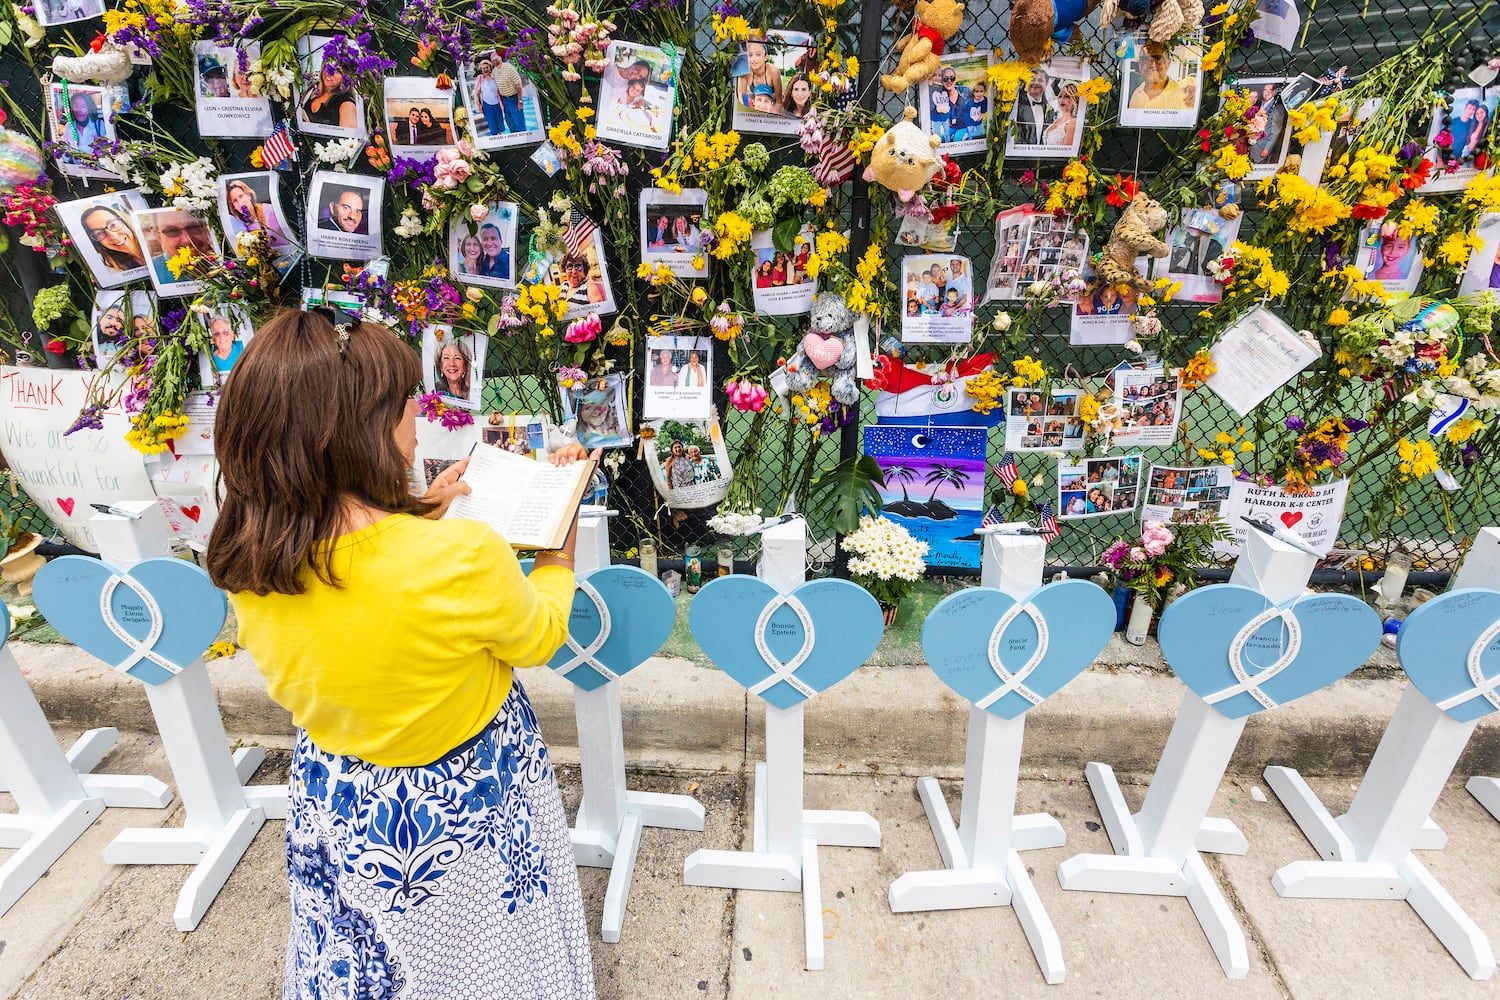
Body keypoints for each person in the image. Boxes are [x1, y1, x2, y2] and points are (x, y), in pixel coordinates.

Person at [207, 309, 597, 998]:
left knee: (373, 959)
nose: (418, 418)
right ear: (360, 428)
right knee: (488, 953)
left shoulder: (254, 559)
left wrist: (421, 505)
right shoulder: (463, 556)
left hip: (346, 800)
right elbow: (538, 636)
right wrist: (559, 547)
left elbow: (358, 587)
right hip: (469, 800)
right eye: (406, 401)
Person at [148, 209, 216, 284]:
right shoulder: (150, 273)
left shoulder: (224, 260)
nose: (187, 240)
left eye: (194, 227)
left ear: (206, 229)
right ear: (158, 236)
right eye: (172, 231)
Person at [79, 204, 146, 273]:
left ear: (124, 221)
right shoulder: (114, 270)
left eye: (113, 225)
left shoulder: (155, 240)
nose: (113, 236)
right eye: (99, 233)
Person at [224, 179, 288, 248]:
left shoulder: (268, 210)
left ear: (248, 195)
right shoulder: (242, 227)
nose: (240, 202)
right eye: (235, 201)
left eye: (241, 196)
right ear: (233, 206)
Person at [1129, 45, 1193, 111]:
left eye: (1157, 58)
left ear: (1168, 62)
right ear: (1139, 64)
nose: (1151, 64)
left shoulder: (1184, 96)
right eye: (1145, 59)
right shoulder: (1136, 94)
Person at [302, 59, 359, 130]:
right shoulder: (311, 90)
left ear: (346, 77)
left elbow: (347, 139)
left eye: (337, 71)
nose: (329, 73)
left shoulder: (347, 105)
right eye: (328, 66)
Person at [736, 40, 783, 108]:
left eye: (758, 54)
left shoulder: (773, 71)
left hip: (771, 104)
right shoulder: (744, 72)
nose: (753, 59)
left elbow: (779, 102)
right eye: (750, 55)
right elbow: (741, 100)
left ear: (765, 57)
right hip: (758, 103)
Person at [60, 90, 108, 154]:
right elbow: (66, 149)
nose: (79, 110)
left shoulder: (99, 124)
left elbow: (107, 148)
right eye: (76, 106)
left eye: (83, 106)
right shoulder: (69, 126)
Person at [491, 51, 527, 134]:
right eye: (492, 60)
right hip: (504, 101)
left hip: (514, 99)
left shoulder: (509, 68)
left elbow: (518, 85)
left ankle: (524, 142)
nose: (494, 61)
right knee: (510, 122)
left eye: (496, 59)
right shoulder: (494, 72)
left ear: (500, 57)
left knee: (519, 122)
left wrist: (520, 100)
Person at [1013, 69, 1053, 144]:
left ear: (1046, 83)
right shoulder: (1016, 104)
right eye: (1032, 79)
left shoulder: (1051, 111)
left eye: (1040, 80)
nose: (1036, 83)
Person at [472, 58, 505, 138]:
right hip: (487, 105)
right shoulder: (480, 78)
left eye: (487, 67)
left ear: (490, 68)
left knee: (500, 121)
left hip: (497, 103)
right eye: (483, 68)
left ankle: (502, 137)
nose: (486, 69)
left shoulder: (494, 77)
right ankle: (495, 137)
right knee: (491, 122)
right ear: (481, 70)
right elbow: (475, 93)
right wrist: (478, 106)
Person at [1043, 83, 1080, 147]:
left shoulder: (1073, 123)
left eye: (1067, 96)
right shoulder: (1057, 120)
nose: (1062, 100)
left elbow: (1066, 152)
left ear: (1075, 99)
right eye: (1060, 96)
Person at [1447, 99, 1480, 165]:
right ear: (1465, 107)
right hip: (1446, 158)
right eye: (1470, 108)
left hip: (1460, 161)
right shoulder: (1453, 122)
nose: (1471, 111)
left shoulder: (1473, 125)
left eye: (1473, 109)